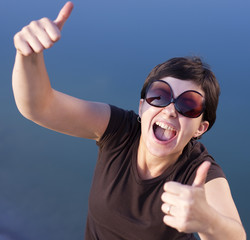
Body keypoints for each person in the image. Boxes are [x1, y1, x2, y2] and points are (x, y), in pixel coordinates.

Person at [12, 2, 246, 240]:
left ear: (201, 128)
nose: (170, 110)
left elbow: (235, 235)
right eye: (160, 95)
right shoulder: (119, 131)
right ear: (142, 105)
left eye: (189, 105)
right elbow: (40, 107)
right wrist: (28, 55)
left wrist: (208, 221)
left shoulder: (199, 172)